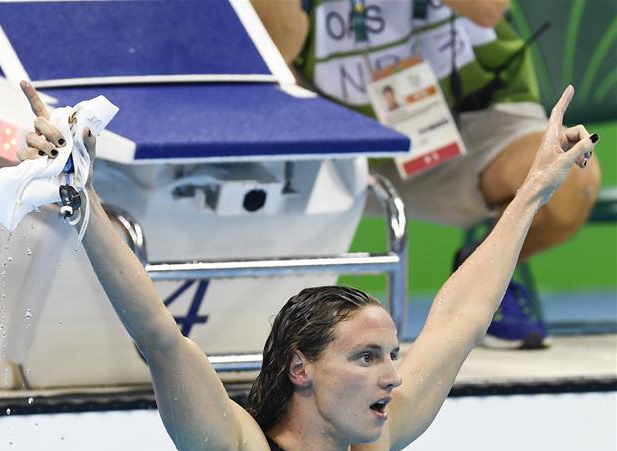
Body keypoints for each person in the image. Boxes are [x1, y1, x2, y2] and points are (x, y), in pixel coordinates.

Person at [18, 80, 597, 451]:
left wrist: (534, 189)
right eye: (366, 357)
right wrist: (79, 196)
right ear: (303, 369)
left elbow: (460, 317)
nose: (393, 375)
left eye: (391, 356)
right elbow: (161, 337)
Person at [251, 0, 602, 349]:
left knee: (573, 178)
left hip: (473, 122)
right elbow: (272, 51)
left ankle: (482, 274)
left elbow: (487, 9)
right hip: (338, 131)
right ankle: (274, 318)